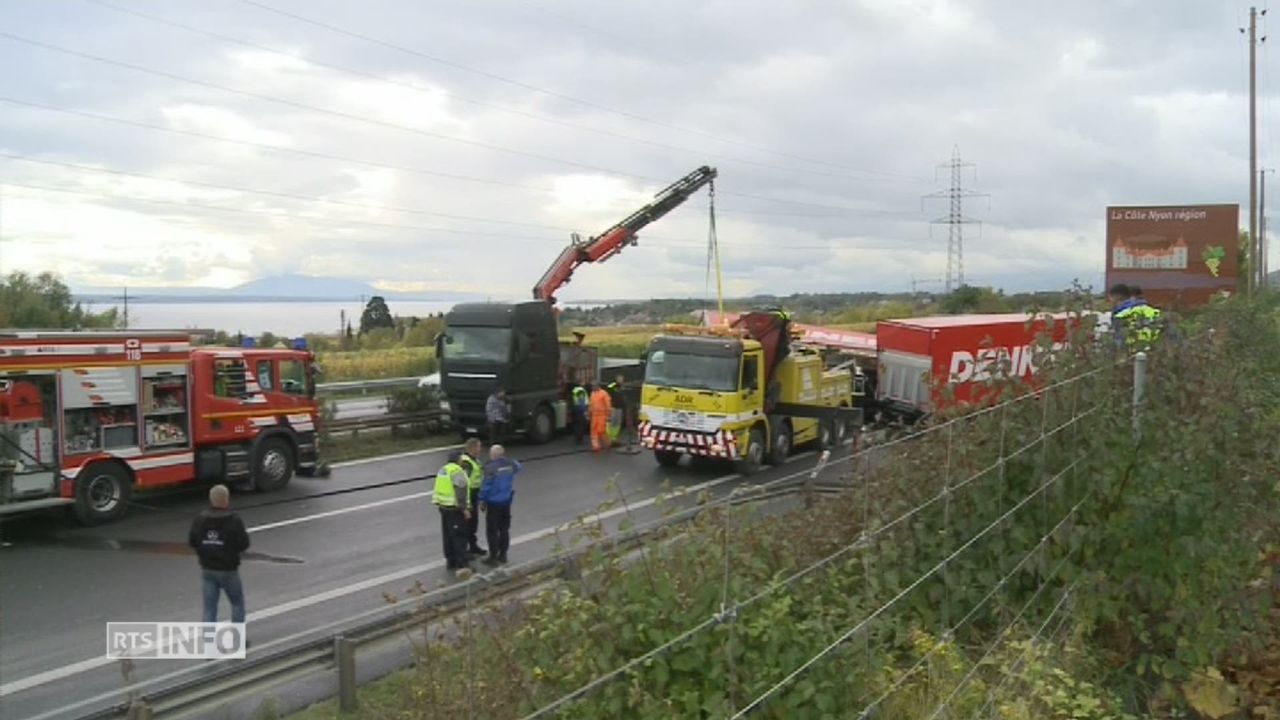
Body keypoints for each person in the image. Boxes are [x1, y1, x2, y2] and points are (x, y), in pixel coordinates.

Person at [188, 484, 250, 626]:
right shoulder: (234, 520)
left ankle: (209, 644)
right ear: (226, 500)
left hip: (207, 569)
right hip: (228, 570)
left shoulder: (200, 519)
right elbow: (244, 544)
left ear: (211, 500)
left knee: (209, 608)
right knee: (237, 604)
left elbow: (192, 541)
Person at [433, 451, 473, 580]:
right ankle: (463, 564)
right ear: (458, 460)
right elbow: (460, 492)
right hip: (455, 509)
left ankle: (450, 560)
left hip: (443, 507)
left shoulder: (443, 470)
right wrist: (464, 509)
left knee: (448, 535)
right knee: (459, 536)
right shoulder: (457, 471)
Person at [479, 444, 521, 565]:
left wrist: (482, 500)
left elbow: (486, 486)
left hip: (493, 503)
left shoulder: (490, 468)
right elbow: (519, 467)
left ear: (493, 455)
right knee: (504, 529)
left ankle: (493, 556)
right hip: (506, 501)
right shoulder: (510, 464)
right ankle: (503, 555)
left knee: (492, 530)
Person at [459, 438, 487, 557]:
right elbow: (463, 484)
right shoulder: (467, 463)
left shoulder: (475, 460)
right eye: (479, 447)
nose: (480, 449)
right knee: (467, 524)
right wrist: (465, 503)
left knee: (473, 523)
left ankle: (473, 546)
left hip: (475, 494)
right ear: (472, 448)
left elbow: (479, 479)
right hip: (468, 496)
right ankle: (465, 550)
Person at [588, 382, 613, 453]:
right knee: (593, 431)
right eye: (592, 386)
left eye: (594, 386)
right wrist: (589, 413)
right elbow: (591, 405)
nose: (592, 388)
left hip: (602, 415)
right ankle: (596, 447)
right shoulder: (592, 394)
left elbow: (608, 405)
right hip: (594, 416)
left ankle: (607, 443)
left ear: (598, 386)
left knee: (602, 431)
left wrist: (608, 415)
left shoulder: (604, 394)